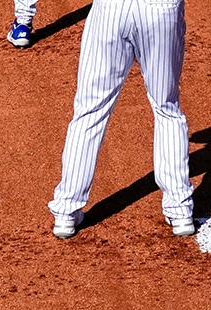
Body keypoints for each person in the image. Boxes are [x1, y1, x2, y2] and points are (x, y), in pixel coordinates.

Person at [48, 0, 195, 239]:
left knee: (90, 111)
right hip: (161, 10)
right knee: (167, 107)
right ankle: (180, 210)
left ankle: (66, 210)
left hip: (111, 10)